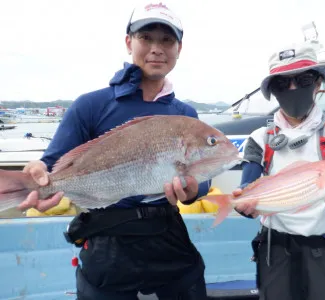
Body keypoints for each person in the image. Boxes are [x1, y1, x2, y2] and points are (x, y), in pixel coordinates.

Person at [17, 2, 210, 299]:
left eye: (167, 40)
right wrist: (39, 172)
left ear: (179, 48)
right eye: (146, 38)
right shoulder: (91, 105)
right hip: (107, 240)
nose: (157, 48)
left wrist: (195, 190)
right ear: (128, 42)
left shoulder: (185, 115)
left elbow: (204, 174)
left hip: (167, 233)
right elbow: (53, 163)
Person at [234, 44, 325, 300]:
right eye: (282, 83)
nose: (293, 89)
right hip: (275, 249)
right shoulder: (259, 138)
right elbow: (246, 191)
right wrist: (241, 204)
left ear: (317, 83)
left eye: (303, 79)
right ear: (273, 92)